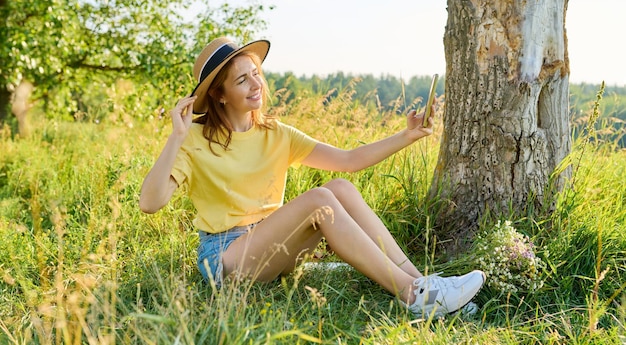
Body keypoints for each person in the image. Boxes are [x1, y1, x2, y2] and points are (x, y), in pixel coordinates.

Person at [139, 37, 485, 318]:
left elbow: (349, 160)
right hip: (226, 258)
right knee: (320, 200)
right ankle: (414, 296)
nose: (255, 84)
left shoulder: (275, 133)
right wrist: (176, 137)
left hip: (271, 245)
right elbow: (150, 203)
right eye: (241, 80)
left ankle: (421, 281)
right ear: (219, 94)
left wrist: (406, 136)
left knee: (339, 187)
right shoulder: (194, 140)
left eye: (256, 73)